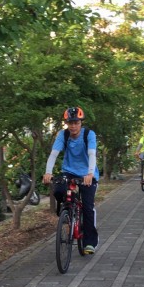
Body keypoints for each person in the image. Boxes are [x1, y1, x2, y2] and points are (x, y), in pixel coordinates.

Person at [42, 107, 100, 255]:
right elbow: (54, 154)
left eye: (76, 122)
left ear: (81, 122)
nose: (73, 126)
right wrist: (48, 172)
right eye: (70, 123)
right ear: (66, 123)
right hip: (68, 171)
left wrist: (90, 173)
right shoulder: (63, 135)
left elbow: (92, 154)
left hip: (88, 173)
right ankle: (68, 212)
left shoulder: (89, 135)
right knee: (59, 190)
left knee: (87, 207)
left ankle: (90, 242)